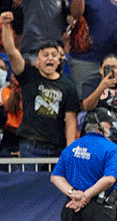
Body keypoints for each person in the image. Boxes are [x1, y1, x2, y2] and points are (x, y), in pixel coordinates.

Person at [1, 11, 79, 159]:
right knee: (30, 183)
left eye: (54, 55)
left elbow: (70, 122)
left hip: (57, 148)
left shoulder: (68, 85)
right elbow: (11, 52)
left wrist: (69, 152)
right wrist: (5, 25)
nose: (50, 58)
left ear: (59, 61)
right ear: (37, 61)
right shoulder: (28, 75)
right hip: (30, 147)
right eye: (45, 55)